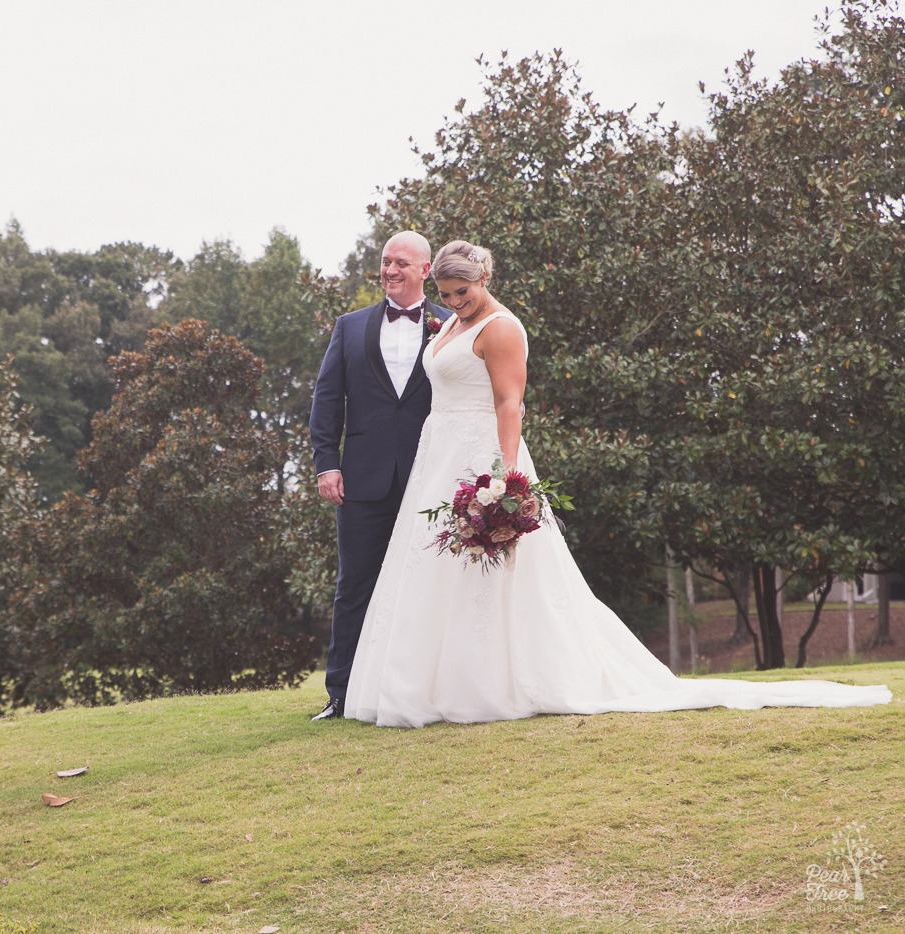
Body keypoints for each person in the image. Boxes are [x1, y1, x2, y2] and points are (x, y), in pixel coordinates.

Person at [345, 240, 892, 726]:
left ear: (483, 278)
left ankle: (489, 683)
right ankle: (424, 682)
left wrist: (503, 479)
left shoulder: (503, 328)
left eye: (461, 291)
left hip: (481, 455)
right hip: (436, 456)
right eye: (446, 293)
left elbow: (510, 402)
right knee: (431, 568)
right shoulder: (454, 325)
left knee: (493, 571)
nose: (454, 301)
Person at [308, 231, 452, 721]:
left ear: (425, 270)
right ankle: (341, 693)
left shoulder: (453, 325)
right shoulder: (349, 327)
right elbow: (327, 400)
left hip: (432, 478)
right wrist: (327, 463)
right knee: (355, 587)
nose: (390, 270)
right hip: (362, 479)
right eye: (385, 261)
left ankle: (428, 690)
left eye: (401, 263)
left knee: (432, 585)